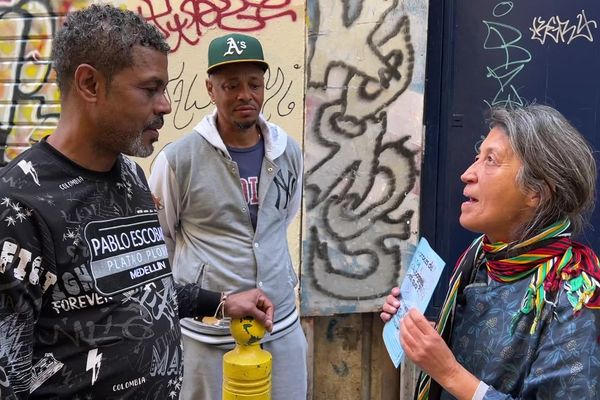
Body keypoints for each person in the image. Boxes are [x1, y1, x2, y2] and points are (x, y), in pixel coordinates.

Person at [0, 5, 274, 399]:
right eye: (150, 89)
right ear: (90, 84)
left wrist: (222, 303)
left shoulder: (131, 176)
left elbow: (143, 286)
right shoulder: (19, 208)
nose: (165, 105)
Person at [381, 104, 600, 399]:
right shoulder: (483, 256)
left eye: (491, 160)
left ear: (538, 192)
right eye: (477, 158)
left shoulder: (575, 292)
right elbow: (485, 350)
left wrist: (448, 371)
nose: (467, 174)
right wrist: (422, 334)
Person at [149, 33, 307, 399]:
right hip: (208, 336)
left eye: (254, 84)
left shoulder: (288, 152)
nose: (244, 95)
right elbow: (162, 239)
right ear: (210, 88)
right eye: (230, 85)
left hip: (279, 327)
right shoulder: (179, 159)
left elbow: (281, 220)